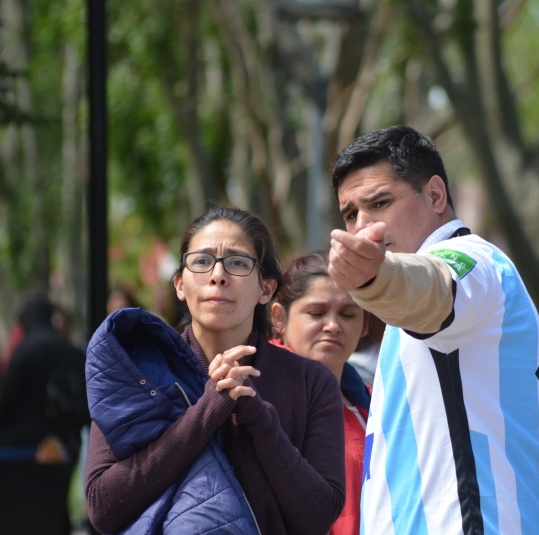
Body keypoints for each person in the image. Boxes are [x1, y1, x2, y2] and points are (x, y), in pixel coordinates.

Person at [327, 125, 539, 534]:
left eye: (380, 202)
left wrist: (374, 279)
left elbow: (436, 289)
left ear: (436, 195)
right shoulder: (401, 307)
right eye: (351, 214)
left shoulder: (473, 259)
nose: (363, 227)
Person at [84, 205, 345, 534]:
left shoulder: (310, 381)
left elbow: (319, 516)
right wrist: (207, 411)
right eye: (202, 261)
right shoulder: (139, 372)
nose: (218, 275)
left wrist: (259, 419)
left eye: (237, 262)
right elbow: (102, 507)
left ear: (266, 289)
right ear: (180, 285)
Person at [272, 250, 371, 535]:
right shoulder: (255, 394)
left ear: (365, 323)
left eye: (348, 314)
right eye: (316, 313)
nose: (332, 326)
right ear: (279, 317)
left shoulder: (378, 404)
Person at [0, 294, 89, 535]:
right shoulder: (70, 351)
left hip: (23, 452)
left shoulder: (24, 351)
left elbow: (6, 402)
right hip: (64, 445)